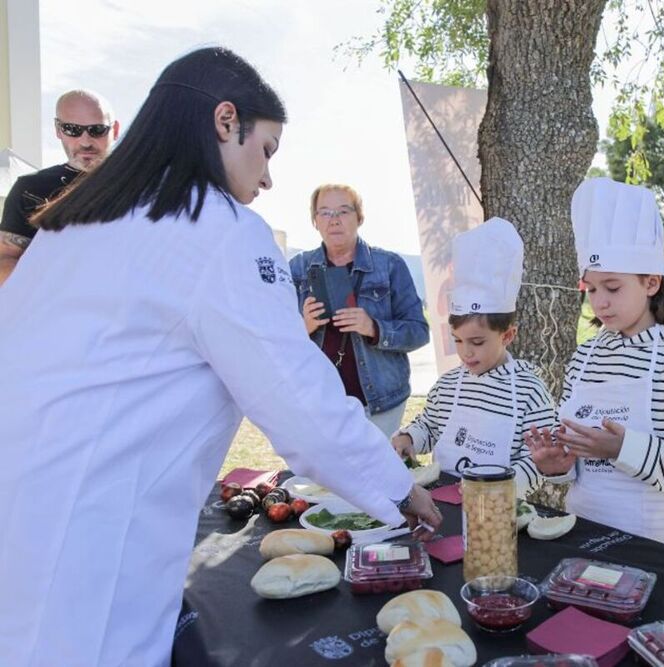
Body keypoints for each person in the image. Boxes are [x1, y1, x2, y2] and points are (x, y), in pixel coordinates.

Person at [0, 48, 441, 667]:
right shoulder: (219, 229)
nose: (267, 180)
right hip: (87, 543)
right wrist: (397, 489)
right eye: (266, 151)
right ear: (225, 121)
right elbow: (294, 395)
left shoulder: (76, 222)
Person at [527, 177, 664, 551]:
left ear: (651, 283)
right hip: (583, 533)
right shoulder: (583, 359)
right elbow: (576, 470)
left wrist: (622, 449)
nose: (600, 302)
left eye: (613, 287)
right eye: (592, 289)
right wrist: (557, 466)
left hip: (657, 544)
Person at [391, 217, 555, 495]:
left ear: (508, 335)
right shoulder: (448, 384)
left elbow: (539, 459)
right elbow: (430, 425)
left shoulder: (530, 390)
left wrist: (503, 492)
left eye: (477, 342)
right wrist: (410, 438)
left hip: (498, 509)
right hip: (441, 503)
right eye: (458, 340)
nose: (466, 352)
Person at [289, 184, 429, 437]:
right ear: (314, 221)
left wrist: (374, 328)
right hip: (318, 403)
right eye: (325, 213)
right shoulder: (297, 268)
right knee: (320, 477)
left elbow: (419, 331)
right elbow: (274, 338)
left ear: (359, 217)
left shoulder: (389, 266)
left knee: (377, 475)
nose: (334, 220)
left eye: (343, 211)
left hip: (381, 402)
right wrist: (303, 327)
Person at [0, 89, 120, 285]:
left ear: (114, 130)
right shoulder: (31, 188)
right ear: (58, 129)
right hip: (56, 310)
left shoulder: (141, 184)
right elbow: (5, 260)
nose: (85, 141)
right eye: (72, 129)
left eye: (97, 130)